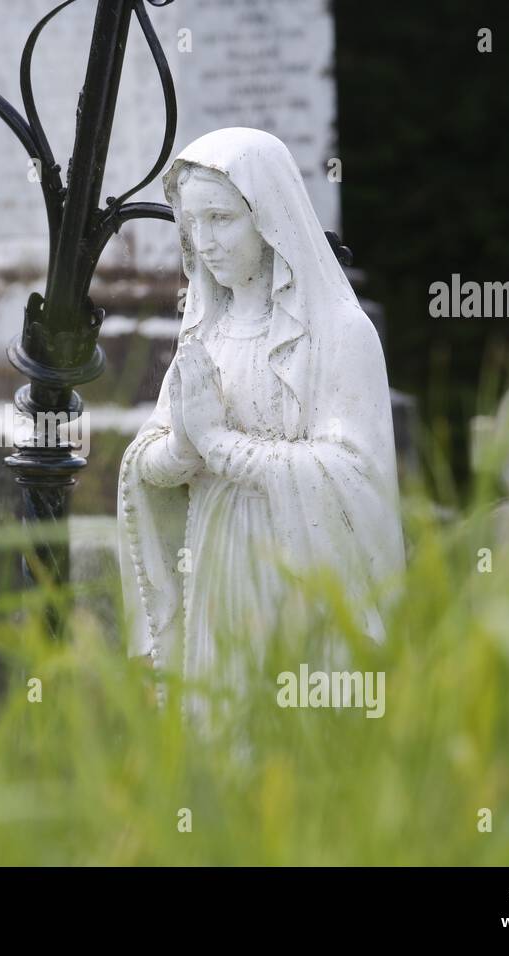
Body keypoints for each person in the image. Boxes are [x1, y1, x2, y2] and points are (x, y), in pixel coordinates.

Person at [118, 128, 404, 722]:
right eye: (193, 223)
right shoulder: (206, 332)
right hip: (215, 566)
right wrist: (182, 451)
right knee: (222, 735)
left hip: (296, 571)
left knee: (291, 743)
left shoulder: (339, 336)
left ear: (268, 219)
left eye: (222, 218)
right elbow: (149, 454)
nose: (206, 241)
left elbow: (354, 478)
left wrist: (221, 445)